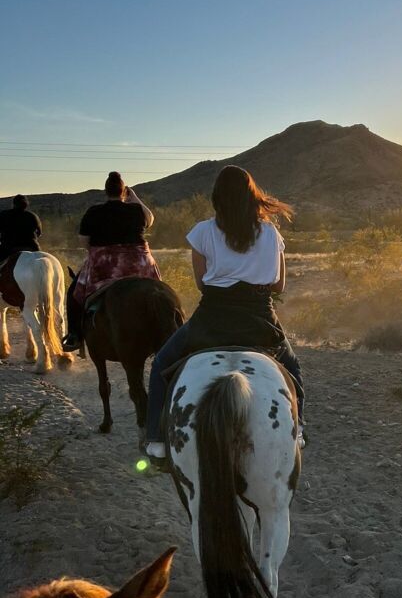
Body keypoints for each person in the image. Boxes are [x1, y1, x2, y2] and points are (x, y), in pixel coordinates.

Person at [144, 165, 305, 461]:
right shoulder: (271, 233)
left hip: (212, 319)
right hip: (259, 319)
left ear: (217, 196)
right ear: (251, 196)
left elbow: (202, 284)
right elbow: (279, 286)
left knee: (161, 364)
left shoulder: (202, 231)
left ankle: (156, 439)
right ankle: (298, 430)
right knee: (292, 369)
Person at [62, 171, 160, 351]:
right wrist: (134, 197)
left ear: (106, 192)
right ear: (124, 192)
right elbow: (150, 219)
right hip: (139, 263)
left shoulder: (94, 211)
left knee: (74, 293)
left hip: (106, 265)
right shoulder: (136, 209)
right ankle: (169, 331)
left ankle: (75, 336)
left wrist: (97, 252)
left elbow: (84, 241)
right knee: (161, 291)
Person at [0, 195, 42, 262]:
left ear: (14, 204)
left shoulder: (3, 214)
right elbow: (39, 233)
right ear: (26, 204)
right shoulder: (33, 216)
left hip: (9, 248)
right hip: (32, 247)